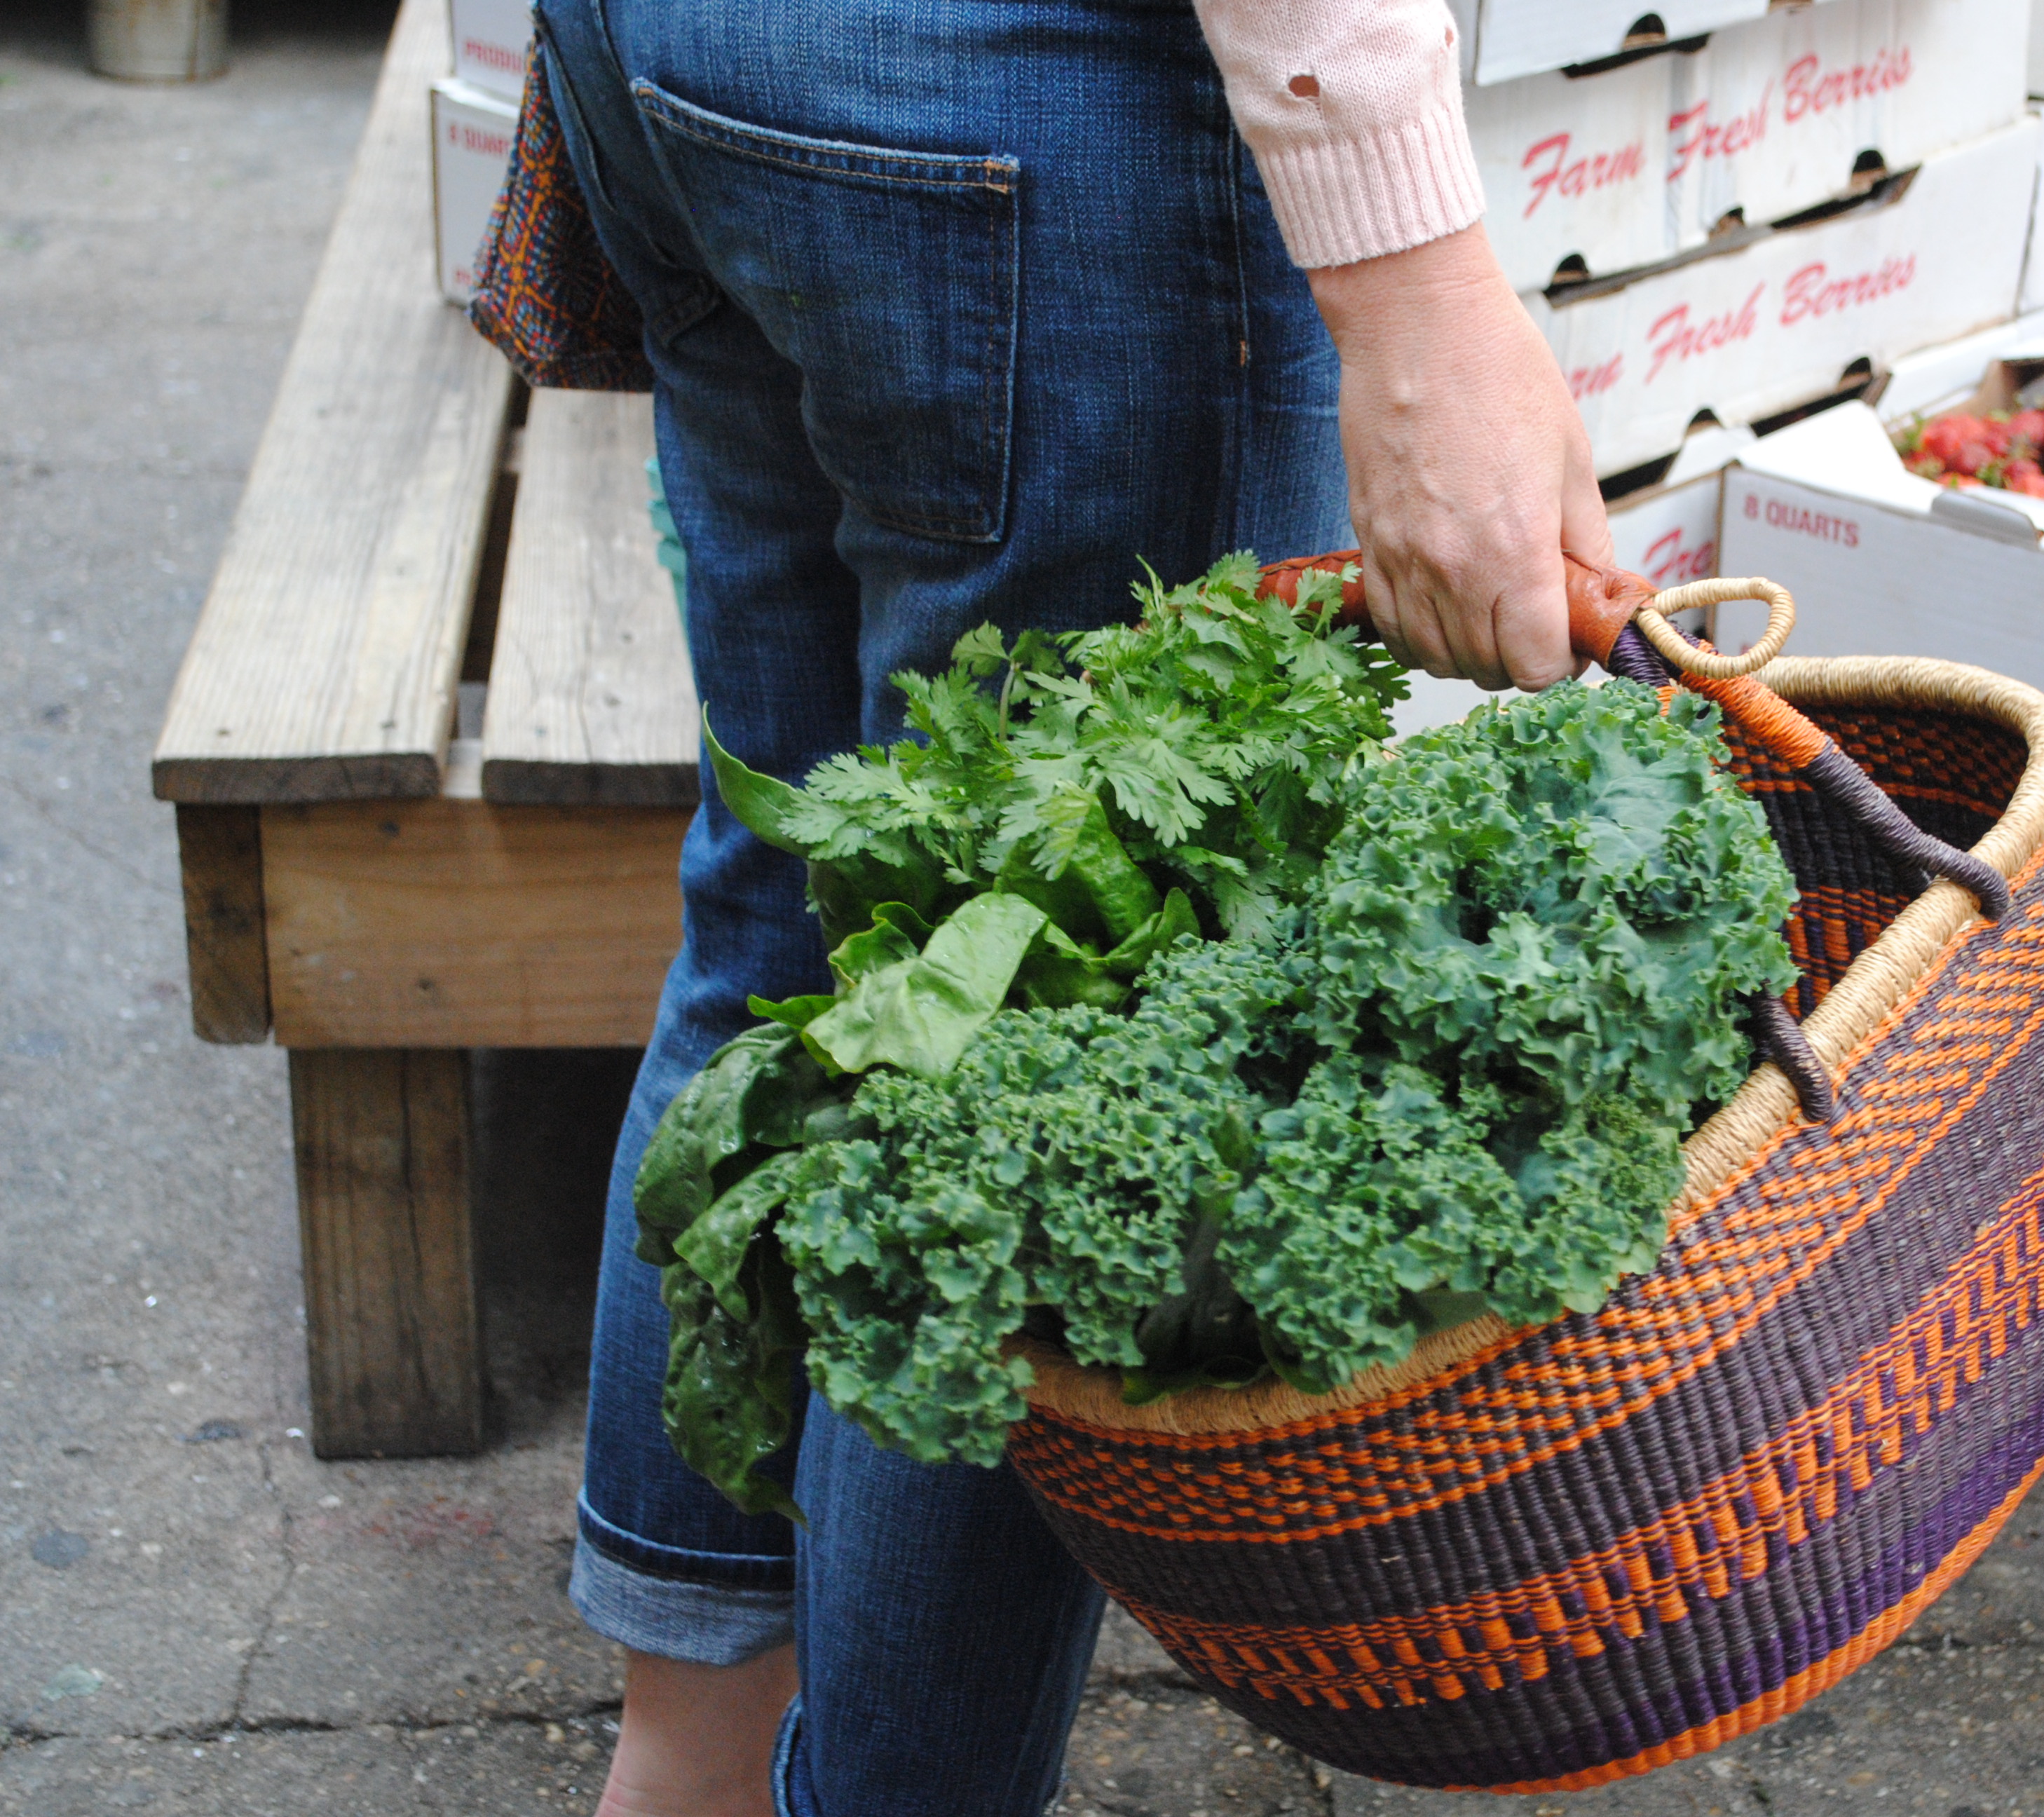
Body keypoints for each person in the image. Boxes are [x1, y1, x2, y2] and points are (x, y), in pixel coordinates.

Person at [524, 2, 1609, 1811]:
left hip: (689, 58)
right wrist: (1416, 283)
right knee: (1026, 1091)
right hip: (1015, 102)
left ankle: (686, 1776)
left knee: (796, 928)